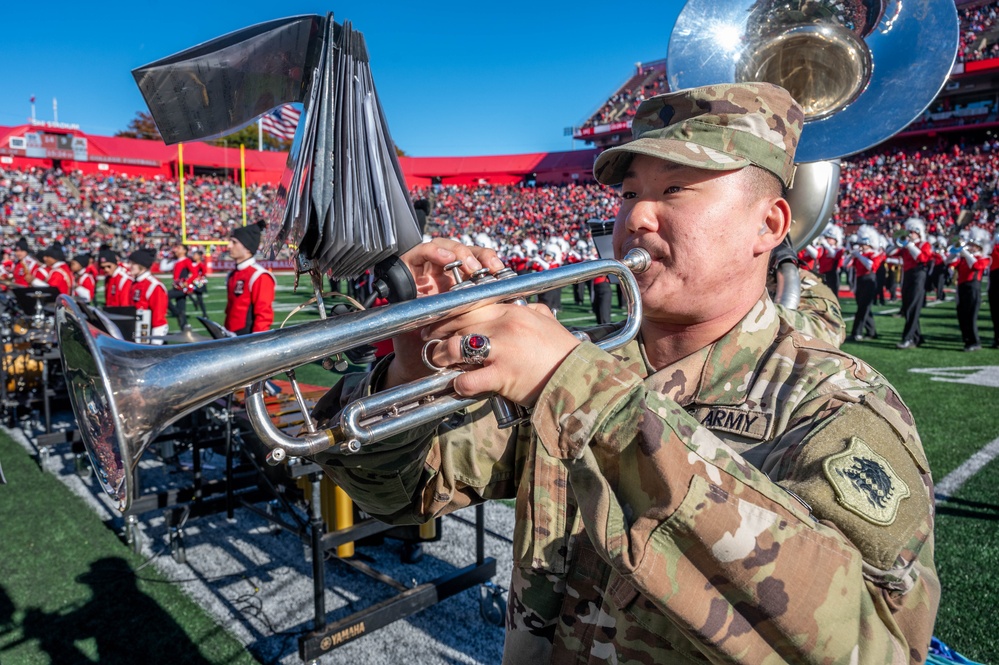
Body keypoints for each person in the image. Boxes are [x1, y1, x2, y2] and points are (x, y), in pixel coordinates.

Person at [309, 84, 938, 664]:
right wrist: (412, 360)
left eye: (676, 190)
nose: (635, 217)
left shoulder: (835, 406)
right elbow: (399, 495)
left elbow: (874, 644)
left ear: (768, 224)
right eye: (631, 192)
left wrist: (581, 390)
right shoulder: (597, 362)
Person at [225, 221, 275, 335]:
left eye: (234, 242)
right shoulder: (232, 274)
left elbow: (263, 316)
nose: (229, 246)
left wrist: (256, 345)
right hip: (230, 338)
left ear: (247, 247)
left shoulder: (260, 276)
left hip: (246, 339)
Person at [891, 217, 933, 349]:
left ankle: (908, 338)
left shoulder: (924, 245)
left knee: (912, 307)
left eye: (912, 232)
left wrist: (909, 245)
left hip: (919, 275)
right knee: (909, 305)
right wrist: (896, 243)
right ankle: (917, 337)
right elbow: (890, 253)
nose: (909, 234)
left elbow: (922, 258)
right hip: (908, 276)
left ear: (918, 233)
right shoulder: (906, 246)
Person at [948, 227, 991, 352]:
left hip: (973, 288)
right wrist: (955, 253)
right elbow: (948, 262)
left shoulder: (983, 258)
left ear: (978, 247)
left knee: (971, 317)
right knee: (962, 315)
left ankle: (975, 341)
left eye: (972, 245)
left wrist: (964, 252)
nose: (970, 247)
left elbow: (976, 266)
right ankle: (967, 340)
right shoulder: (964, 258)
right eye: (969, 244)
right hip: (962, 288)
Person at [847, 227, 885, 342]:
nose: (861, 246)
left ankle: (857, 332)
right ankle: (872, 332)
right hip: (860, 281)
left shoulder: (874, 254)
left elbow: (871, 267)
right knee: (863, 307)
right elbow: (845, 264)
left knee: (862, 308)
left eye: (863, 244)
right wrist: (851, 255)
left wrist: (858, 256)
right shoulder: (860, 254)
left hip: (869, 280)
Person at [127, 248, 169, 342]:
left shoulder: (154, 286)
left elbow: (159, 320)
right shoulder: (135, 283)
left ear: (143, 266)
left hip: (147, 337)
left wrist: (155, 345)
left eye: (133, 263)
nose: (129, 266)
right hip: (135, 333)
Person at [167, 243, 195, 328]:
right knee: (182, 310)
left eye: (179, 248)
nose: (177, 249)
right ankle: (185, 329)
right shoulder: (177, 261)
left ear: (184, 251)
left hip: (182, 288)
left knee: (164, 296)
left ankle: (176, 312)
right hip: (177, 287)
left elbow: (195, 273)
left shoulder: (186, 260)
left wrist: (187, 282)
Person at [188, 248, 209, 318]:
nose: (194, 256)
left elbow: (204, 273)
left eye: (195, 255)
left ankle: (204, 313)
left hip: (198, 282)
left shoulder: (201, 264)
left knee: (199, 297)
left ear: (199, 256)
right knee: (187, 291)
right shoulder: (193, 263)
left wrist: (199, 278)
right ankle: (195, 302)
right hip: (194, 282)